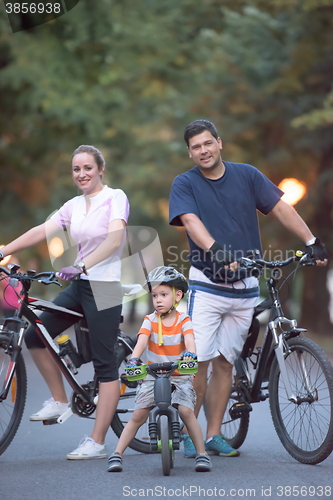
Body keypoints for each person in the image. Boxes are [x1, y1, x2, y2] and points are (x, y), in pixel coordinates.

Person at [168, 119, 329, 459]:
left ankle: (213, 436)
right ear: (190, 152)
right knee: (199, 363)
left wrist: (311, 240)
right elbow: (191, 223)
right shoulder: (185, 183)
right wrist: (217, 250)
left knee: (226, 363)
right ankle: (188, 432)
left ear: (219, 143)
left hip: (244, 289)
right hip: (207, 287)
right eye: (196, 147)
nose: (203, 150)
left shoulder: (247, 175)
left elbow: (281, 208)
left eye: (208, 143)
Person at [0, 145, 130, 459]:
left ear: (100, 169)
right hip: (81, 285)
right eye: (76, 169)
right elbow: (42, 230)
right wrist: (3, 251)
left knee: (105, 365)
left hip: (106, 285)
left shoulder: (115, 198)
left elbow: (114, 240)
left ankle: (97, 442)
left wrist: (83, 265)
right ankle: (59, 399)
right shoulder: (73, 205)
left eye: (88, 168)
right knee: (35, 335)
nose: (82, 174)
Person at [107, 266, 212, 473]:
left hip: (178, 376)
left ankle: (202, 453)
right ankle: (117, 453)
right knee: (138, 415)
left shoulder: (184, 320)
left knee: (186, 412)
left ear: (177, 295)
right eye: (155, 295)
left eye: (163, 295)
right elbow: (142, 341)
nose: (158, 300)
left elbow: (190, 340)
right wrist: (135, 359)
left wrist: (190, 354)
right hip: (152, 375)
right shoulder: (150, 320)